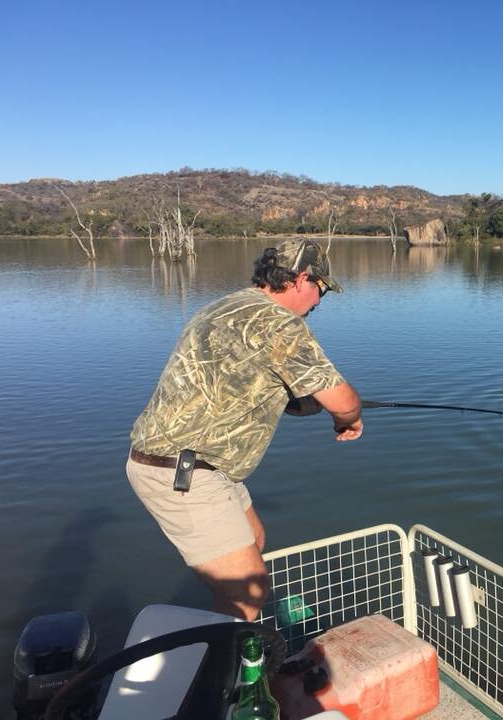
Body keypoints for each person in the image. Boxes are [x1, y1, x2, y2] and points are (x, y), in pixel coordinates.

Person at [127, 239, 363, 620]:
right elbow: (344, 400)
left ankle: (235, 648)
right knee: (247, 593)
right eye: (321, 290)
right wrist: (349, 419)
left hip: (205, 466)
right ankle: (228, 675)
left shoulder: (227, 306)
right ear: (303, 279)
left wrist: (308, 403)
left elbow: (257, 391)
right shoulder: (280, 324)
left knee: (254, 538)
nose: (319, 302)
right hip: (182, 471)